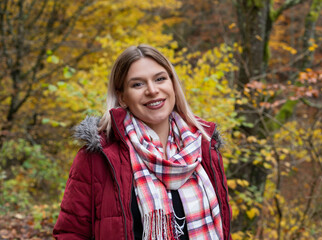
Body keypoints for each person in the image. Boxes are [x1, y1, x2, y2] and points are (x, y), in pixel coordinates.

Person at [53, 44, 232, 240]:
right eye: (137, 84)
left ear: (173, 84)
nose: (152, 90)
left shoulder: (204, 148)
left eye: (160, 79)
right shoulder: (97, 158)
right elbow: (70, 233)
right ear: (122, 97)